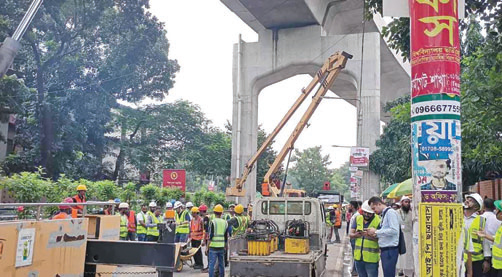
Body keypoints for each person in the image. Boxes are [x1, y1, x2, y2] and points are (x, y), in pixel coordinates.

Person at [366, 196, 400, 277]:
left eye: (374, 208)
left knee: (389, 274)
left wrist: (376, 232)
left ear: (379, 204)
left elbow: (394, 230)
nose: (374, 211)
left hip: (390, 249)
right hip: (386, 249)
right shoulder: (384, 214)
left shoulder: (390, 213)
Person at [350, 200, 381, 277]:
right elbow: (350, 234)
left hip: (371, 259)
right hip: (358, 257)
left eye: (369, 213)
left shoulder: (378, 220)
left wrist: (368, 235)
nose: (366, 215)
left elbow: (381, 239)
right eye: (365, 212)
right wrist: (356, 235)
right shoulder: (357, 218)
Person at [464, 193, 490, 276]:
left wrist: (487, 260)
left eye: (471, 200)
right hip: (461, 259)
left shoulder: (482, 220)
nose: (467, 201)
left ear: (476, 207)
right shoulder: (457, 217)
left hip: (476, 260)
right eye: (467, 199)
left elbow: (485, 241)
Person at [477, 200, 502, 277]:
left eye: (497, 210)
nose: (495, 211)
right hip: (497, 265)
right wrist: (485, 235)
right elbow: (498, 240)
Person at [206, 204, 230, 277]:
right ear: (221, 213)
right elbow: (226, 236)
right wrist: (226, 246)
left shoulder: (213, 222)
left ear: (214, 212)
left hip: (213, 246)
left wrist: (207, 247)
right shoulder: (225, 222)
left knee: (211, 265)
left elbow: (210, 236)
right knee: (221, 264)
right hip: (221, 246)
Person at [397, 196, 414, 277]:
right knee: (400, 255)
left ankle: (408, 273)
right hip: (400, 236)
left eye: (408, 202)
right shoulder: (396, 212)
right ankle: (400, 270)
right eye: (405, 202)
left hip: (409, 236)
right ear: (401, 203)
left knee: (408, 254)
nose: (407, 203)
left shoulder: (412, 214)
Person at [348, 201, 361, 276]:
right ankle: (354, 269)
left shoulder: (357, 215)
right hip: (352, 236)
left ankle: (355, 270)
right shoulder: (354, 215)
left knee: (355, 254)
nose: (348, 207)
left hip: (354, 237)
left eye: (349, 205)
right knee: (354, 254)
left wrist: (354, 235)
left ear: (352, 206)